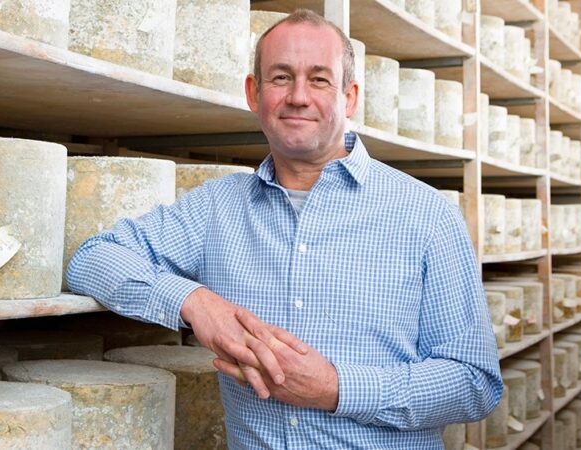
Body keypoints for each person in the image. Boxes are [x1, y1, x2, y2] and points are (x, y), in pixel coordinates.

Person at [67, 9, 502, 449]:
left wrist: (336, 387)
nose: (298, 96)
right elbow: (93, 258)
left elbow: (475, 382)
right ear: (254, 93)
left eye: (319, 79)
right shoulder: (217, 207)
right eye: (280, 77)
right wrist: (194, 302)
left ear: (349, 98)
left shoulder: (426, 215)